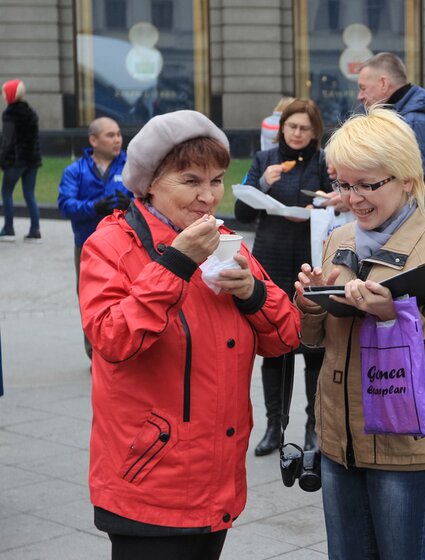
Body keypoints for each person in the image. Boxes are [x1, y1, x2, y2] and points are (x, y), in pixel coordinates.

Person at [79, 110, 301, 559]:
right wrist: (175, 265)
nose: (208, 196)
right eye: (191, 180)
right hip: (147, 483)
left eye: (216, 180)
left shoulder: (224, 241)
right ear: (149, 183)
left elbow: (286, 336)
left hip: (216, 481)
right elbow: (112, 339)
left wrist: (253, 293)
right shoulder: (110, 245)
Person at [293, 106, 425, 560]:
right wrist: (310, 304)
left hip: (406, 450)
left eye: (367, 185)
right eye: (343, 184)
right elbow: (315, 340)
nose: (353, 199)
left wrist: (393, 317)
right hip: (339, 441)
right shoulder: (340, 240)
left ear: (407, 179)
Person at [235, 98, 330, 456]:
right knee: (273, 346)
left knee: (314, 347)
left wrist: (318, 205)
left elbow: (336, 204)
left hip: (309, 261)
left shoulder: (323, 162)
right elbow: (242, 212)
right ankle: (274, 426)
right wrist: (262, 183)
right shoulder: (264, 160)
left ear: (315, 132)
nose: (297, 133)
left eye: (305, 128)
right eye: (292, 126)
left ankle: (313, 426)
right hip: (270, 260)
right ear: (282, 128)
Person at [58, 117, 132, 361]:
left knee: (128, 296)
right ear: (93, 140)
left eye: (119, 134)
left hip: (126, 245)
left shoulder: (131, 166)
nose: (117, 139)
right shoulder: (75, 171)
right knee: (91, 298)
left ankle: (128, 348)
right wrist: (94, 207)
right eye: (110, 135)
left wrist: (132, 204)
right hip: (87, 246)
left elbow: (151, 199)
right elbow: (65, 204)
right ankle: (96, 355)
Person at [356, 52, 425, 225]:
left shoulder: (416, 122)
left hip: (412, 233)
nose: (360, 96)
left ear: (383, 83)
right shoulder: (406, 118)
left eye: (363, 88)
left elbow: (422, 189)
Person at [0, 79, 41, 242]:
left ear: (10, 94)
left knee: (6, 192)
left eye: (4, 92)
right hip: (32, 159)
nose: (3, 96)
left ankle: (8, 228)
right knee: (29, 194)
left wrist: (1, 161)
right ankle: (35, 230)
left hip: (16, 161)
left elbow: (6, 141)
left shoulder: (9, 114)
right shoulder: (31, 112)